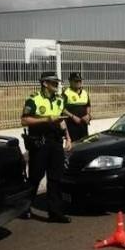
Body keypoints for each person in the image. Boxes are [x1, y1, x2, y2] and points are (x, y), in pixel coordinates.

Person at [20, 72, 73, 223]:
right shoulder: (34, 99)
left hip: (56, 143)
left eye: (57, 83)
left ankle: (55, 212)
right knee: (35, 177)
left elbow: (62, 121)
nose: (57, 85)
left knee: (55, 177)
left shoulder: (59, 100)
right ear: (45, 83)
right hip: (40, 143)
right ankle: (25, 207)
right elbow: (24, 120)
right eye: (54, 83)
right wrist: (47, 119)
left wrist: (68, 137)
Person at [62, 72, 91, 141]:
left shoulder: (85, 92)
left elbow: (88, 106)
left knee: (84, 144)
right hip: (72, 126)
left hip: (83, 126)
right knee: (74, 146)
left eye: (80, 81)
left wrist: (88, 115)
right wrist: (73, 117)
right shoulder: (66, 93)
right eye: (76, 81)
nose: (78, 82)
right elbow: (62, 109)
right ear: (70, 81)